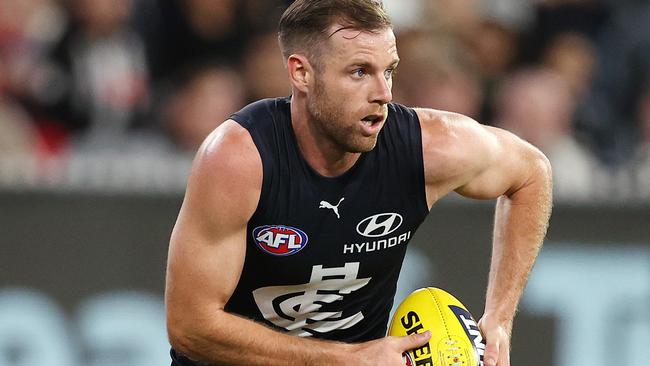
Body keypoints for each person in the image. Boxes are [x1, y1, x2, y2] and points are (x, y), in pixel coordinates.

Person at [165, 1, 553, 365]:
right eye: (359, 72)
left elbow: (532, 172)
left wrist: (499, 318)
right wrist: (347, 359)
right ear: (301, 73)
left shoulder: (428, 147)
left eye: (389, 70)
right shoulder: (239, 158)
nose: (383, 93)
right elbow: (190, 327)